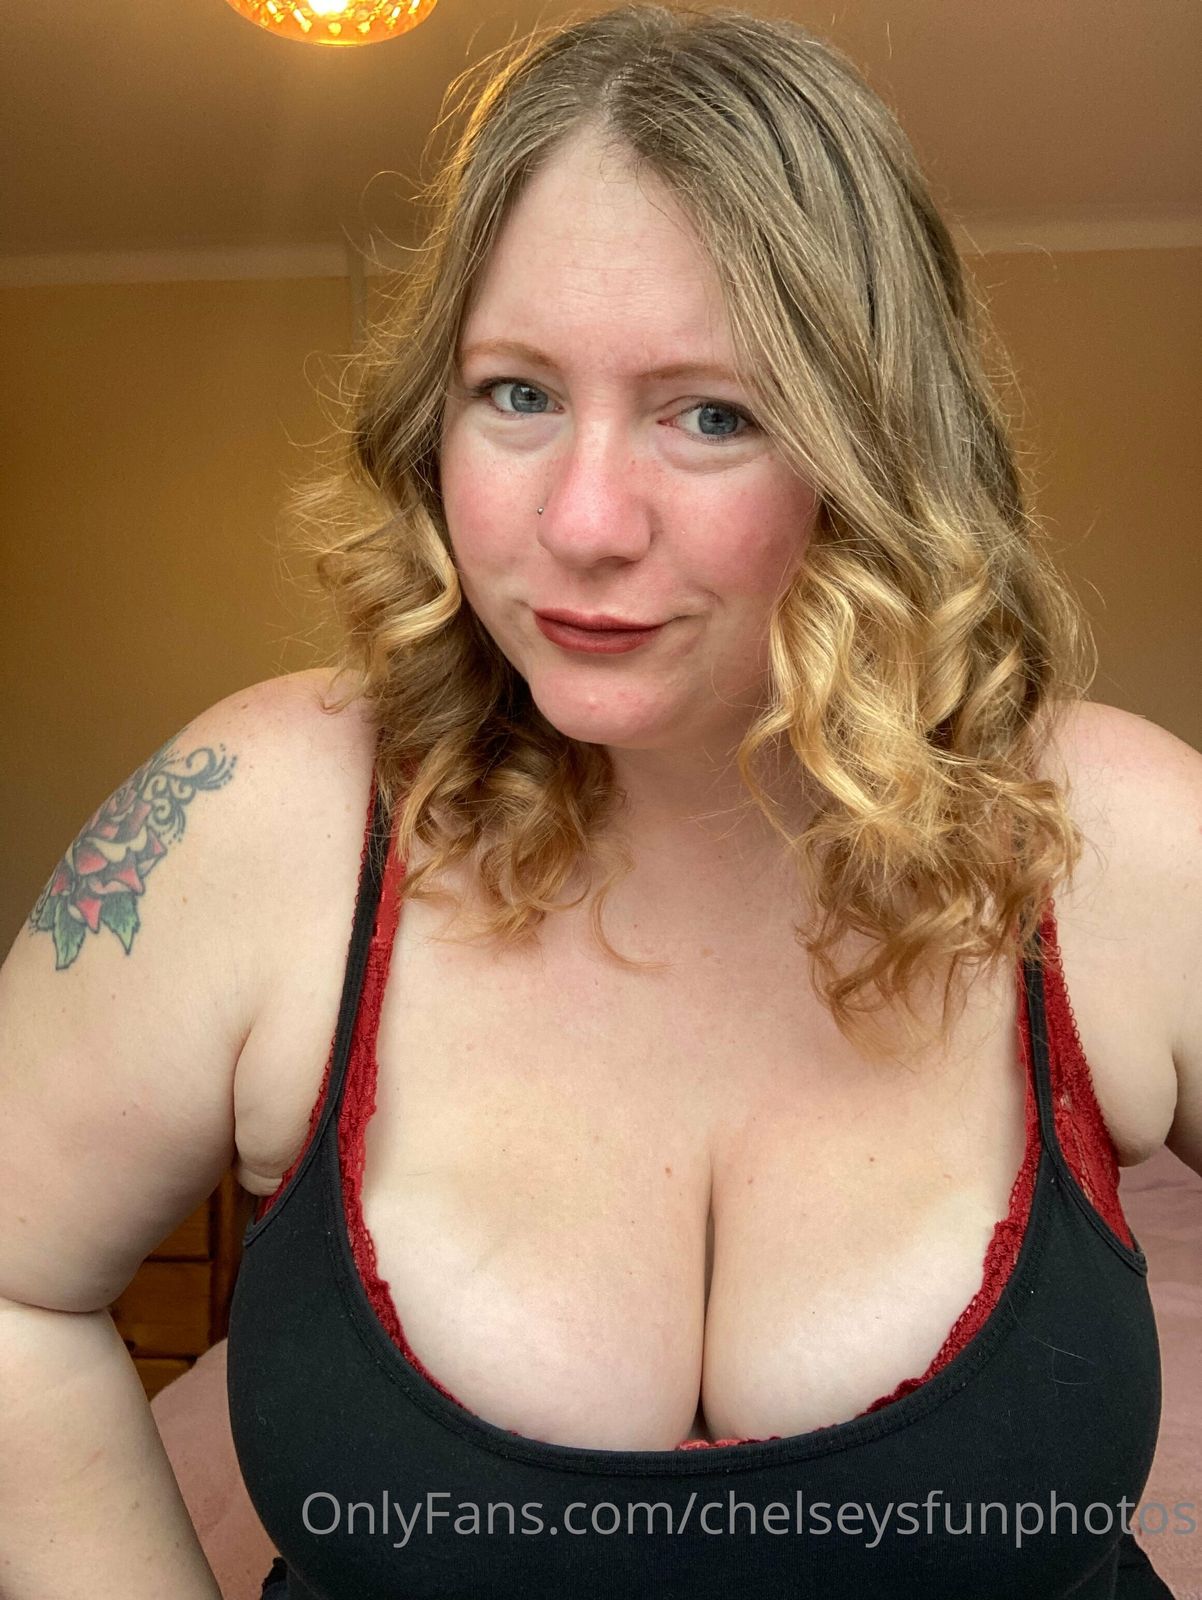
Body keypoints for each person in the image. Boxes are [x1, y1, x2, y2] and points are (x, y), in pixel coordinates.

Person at [1, 4, 1198, 1597]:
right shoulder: (265, 816)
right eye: (516, 394)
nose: (579, 521)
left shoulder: (1109, 835)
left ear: (876, 449)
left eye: (711, 413)